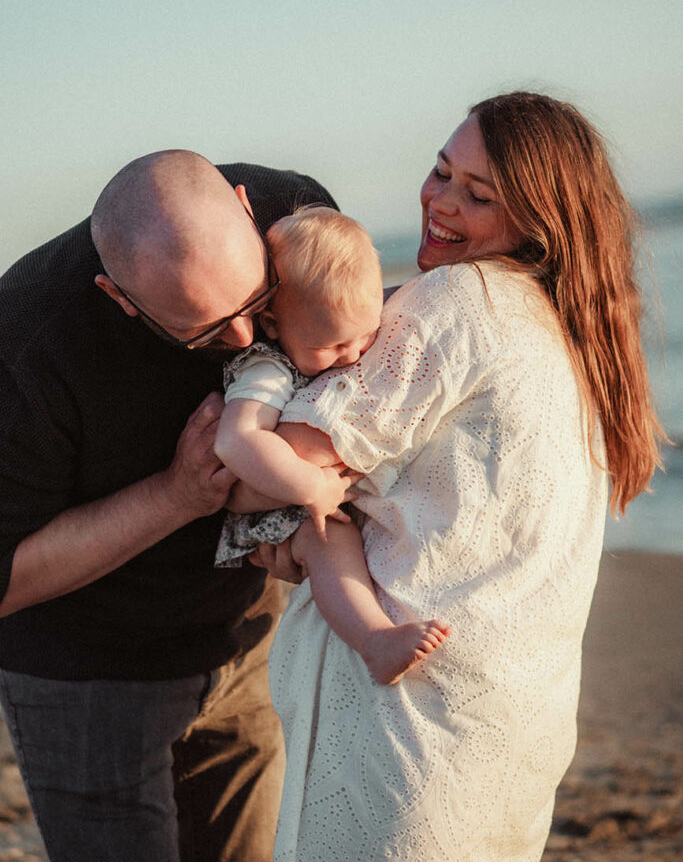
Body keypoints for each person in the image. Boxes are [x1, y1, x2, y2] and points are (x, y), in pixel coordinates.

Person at [244, 92, 662, 860]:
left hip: (403, 734)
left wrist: (265, 485)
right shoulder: (573, 332)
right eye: (441, 172)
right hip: (512, 734)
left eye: (478, 195)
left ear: (538, 221)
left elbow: (273, 475)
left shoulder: (457, 299)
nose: (440, 202)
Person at [0, 149, 344, 862]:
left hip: (244, 638)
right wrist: (176, 494)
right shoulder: (24, 343)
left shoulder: (298, 218)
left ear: (247, 208)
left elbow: (347, 368)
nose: (245, 340)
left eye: (257, 301)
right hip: (89, 680)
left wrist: (291, 519)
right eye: (204, 332)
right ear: (119, 297)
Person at [213, 206, 450, 684]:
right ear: (273, 324)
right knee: (330, 540)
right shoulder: (266, 369)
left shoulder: (330, 326)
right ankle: (375, 642)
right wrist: (311, 486)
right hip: (276, 503)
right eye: (332, 347)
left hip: (310, 493)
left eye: (366, 335)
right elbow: (236, 441)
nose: (354, 354)